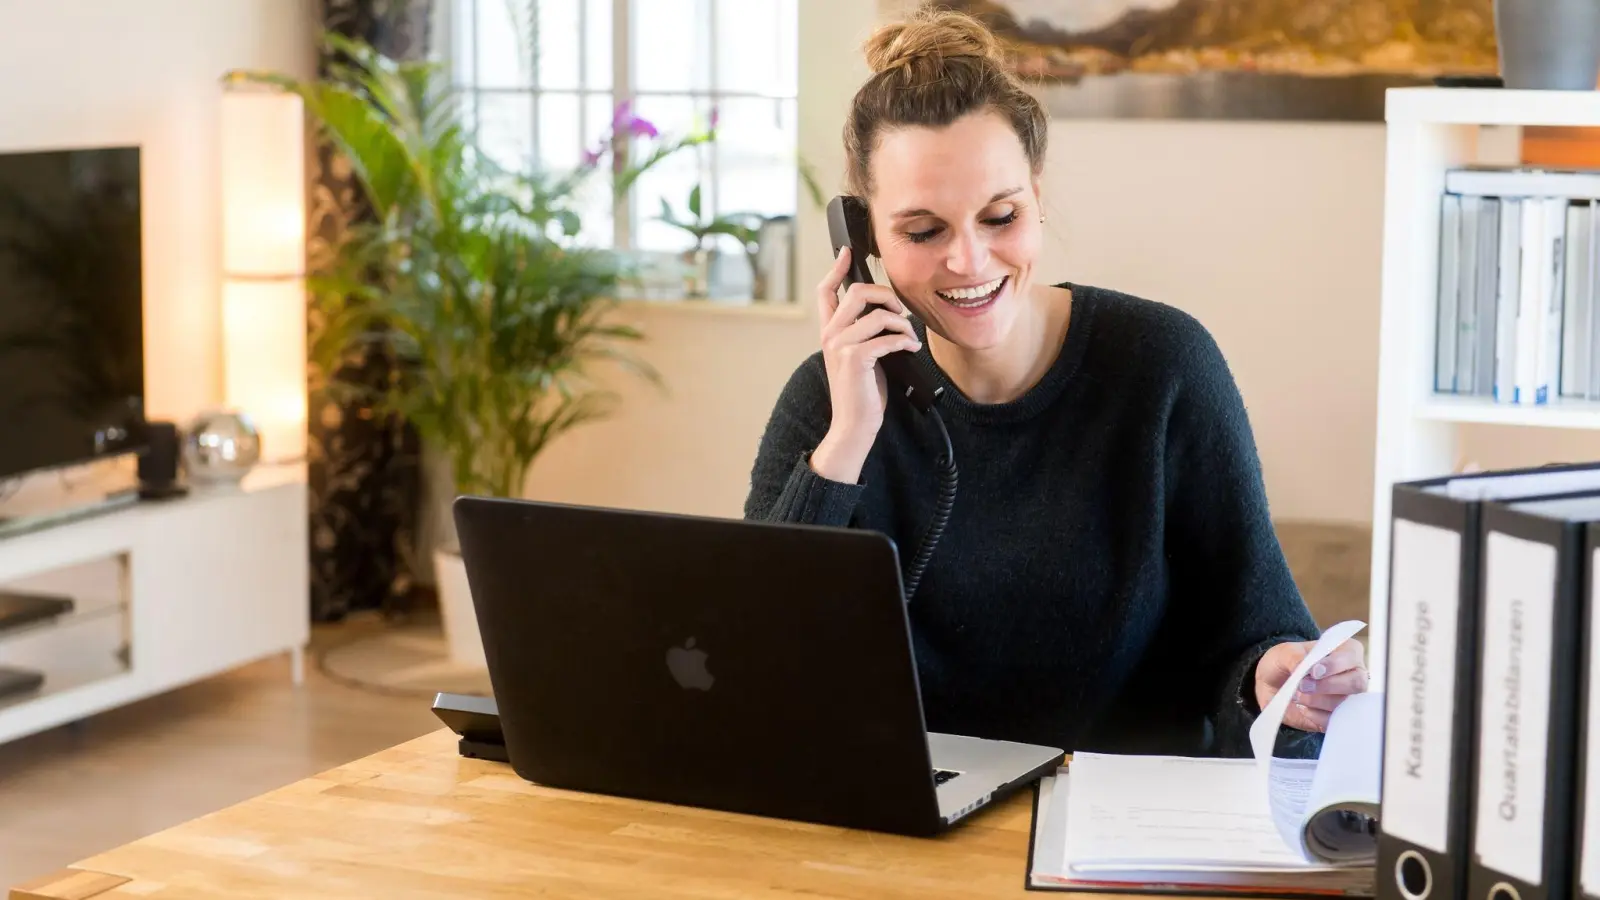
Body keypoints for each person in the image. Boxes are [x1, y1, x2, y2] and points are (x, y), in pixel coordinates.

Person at [742, 7, 1368, 759]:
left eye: (999, 216)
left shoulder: (1162, 365)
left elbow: (1257, 635)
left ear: (1037, 199)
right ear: (863, 238)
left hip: (1124, 829)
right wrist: (846, 443)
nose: (969, 262)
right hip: (911, 829)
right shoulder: (829, 398)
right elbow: (761, 664)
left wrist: (1275, 682)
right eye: (922, 231)